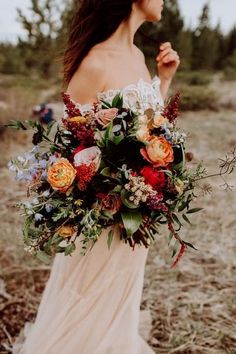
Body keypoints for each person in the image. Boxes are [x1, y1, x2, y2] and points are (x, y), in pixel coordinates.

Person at [12, 0, 180, 353]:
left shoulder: (137, 55)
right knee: (88, 296)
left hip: (135, 213)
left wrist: (163, 81)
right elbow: (64, 147)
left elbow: (150, 128)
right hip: (102, 215)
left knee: (120, 292)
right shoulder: (96, 61)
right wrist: (110, 185)